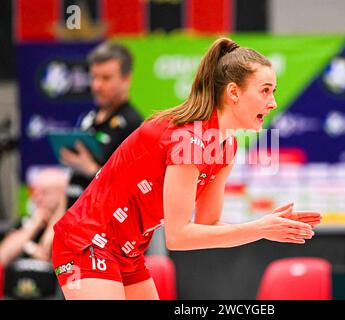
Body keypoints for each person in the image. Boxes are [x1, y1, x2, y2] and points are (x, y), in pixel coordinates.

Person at [52, 37, 322, 300]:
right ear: (233, 92)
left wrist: (266, 226)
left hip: (127, 252)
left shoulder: (226, 148)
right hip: (85, 242)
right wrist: (259, 229)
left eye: (273, 91)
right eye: (265, 90)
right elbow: (178, 236)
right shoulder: (189, 138)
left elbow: (207, 226)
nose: (273, 102)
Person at [60, 42, 143, 208]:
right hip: (73, 218)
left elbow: (133, 190)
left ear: (126, 79)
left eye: (106, 78)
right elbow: (72, 182)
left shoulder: (134, 126)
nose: (97, 86)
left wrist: (90, 169)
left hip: (102, 226)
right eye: (94, 77)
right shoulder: (89, 119)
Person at [0, 168, 68, 267]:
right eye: (35, 192)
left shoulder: (71, 224)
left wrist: (56, 217)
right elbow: (2, 257)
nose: (36, 198)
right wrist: (34, 225)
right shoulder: (29, 222)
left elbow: (46, 253)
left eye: (44, 192)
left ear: (62, 195)